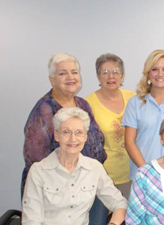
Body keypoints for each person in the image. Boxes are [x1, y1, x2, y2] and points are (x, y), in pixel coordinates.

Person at [16, 107, 127, 225]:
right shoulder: (38, 171)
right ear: (56, 135)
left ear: (86, 136)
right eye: (66, 132)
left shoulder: (94, 168)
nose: (73, 139)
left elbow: (120, 203)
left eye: (79, 132)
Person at [22, 53, 106, 194]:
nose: (70, 77)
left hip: (87, 185)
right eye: (63, 73)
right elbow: (36, 159)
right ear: (52, 80)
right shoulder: (44, 111)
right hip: (54, 192)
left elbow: (96, 141)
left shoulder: (83, 104)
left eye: (74, 72)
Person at [122, 49, 164, 181]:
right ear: (148, 73)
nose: (160, 74)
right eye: (154, 69)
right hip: (142, 175)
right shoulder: (135, 103)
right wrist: (148, 172)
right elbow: (129, 143)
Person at [86, 53, 135, 199]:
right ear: (98, 76)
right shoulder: (88, 104)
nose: (111, 77)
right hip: (104, 177)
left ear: (122, 76)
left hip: (133, 172)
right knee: (103, 221)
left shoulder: (132, 98)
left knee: (131, 220)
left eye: (115, 72)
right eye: (105, 72)